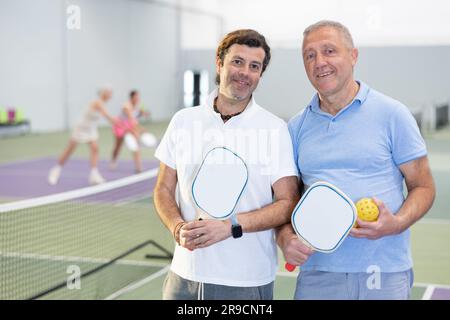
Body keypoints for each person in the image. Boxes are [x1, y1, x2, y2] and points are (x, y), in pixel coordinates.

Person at [277, 20, 436, 300]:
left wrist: (396, 223)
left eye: (329, 51)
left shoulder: (392, 114)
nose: (319, 62)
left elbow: (423, 187)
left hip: (383, 271)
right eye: (309, 55)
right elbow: (285, 200)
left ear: (353, 56)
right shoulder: (296, 127)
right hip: (318, 274)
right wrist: (284, 237)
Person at [154, 29, 299, 300]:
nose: (245, 72)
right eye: (237, 61)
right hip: (183, 278)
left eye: (254, 66)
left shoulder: (275, 129)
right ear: (219, 63)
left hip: (245, 281)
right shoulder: (183, 121)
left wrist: (230, 226)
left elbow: (287, 202)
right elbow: (163, 187)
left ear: (260, 74)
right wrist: (176, 226)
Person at [48, 88, 116, 185]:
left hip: (91, 129)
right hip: (81, 128)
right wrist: (118, 123)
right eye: (109, 94)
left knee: (95, 148)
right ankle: (55, 171)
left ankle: (94, 175)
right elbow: (107, 116)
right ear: (103, 94)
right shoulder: (98, 103)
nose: (110, 96)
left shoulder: (102, 104)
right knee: (69, 150)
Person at [110, 90, 151, 173]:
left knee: (135, 144)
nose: (138, 98)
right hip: (120, 126)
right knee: (118, 146)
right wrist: (139, 128)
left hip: (129, 126)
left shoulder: (137, 106)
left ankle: (138, 167)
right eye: (136, 97)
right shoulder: (126, 106)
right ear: (131, 97)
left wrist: (143, 114)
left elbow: (136, 116)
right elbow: (131, 119)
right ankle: (113, 161)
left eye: (138, 97)